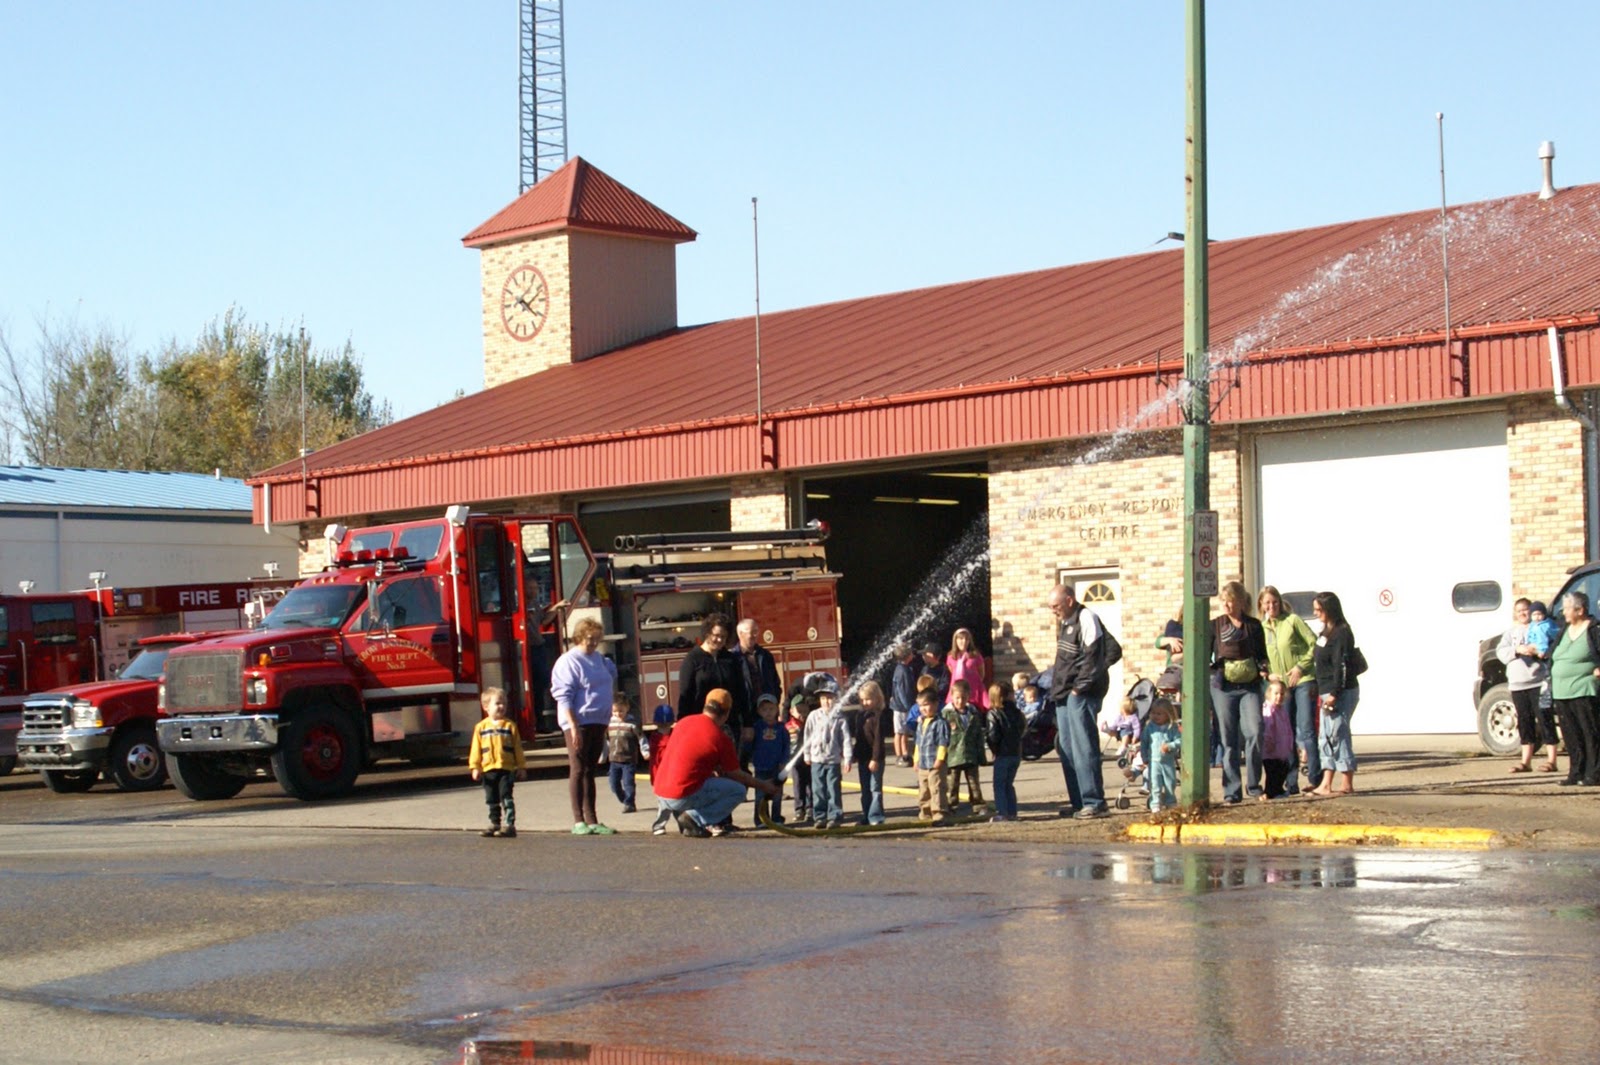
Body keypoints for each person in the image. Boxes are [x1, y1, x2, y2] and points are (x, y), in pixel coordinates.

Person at [651, 688, 780, 837]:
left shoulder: (683, 723)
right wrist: (764, 785)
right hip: (680, 795)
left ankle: (685, 817)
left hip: (661, 792)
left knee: (709, 781)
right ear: (726, 714)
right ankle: (694, 818)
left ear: (705, 706)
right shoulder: (720, 738)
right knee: (738, 790)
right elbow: (737, 775)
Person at [1046, 582, 1114, 819]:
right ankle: (1078, 802)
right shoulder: (1066, 622)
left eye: (1056, 606)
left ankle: (1094, 801)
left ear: (1069, 601)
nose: (1053, 611)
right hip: (1063, 694)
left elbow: (1095, 657)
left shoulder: (1086, 617)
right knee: (1066, 748)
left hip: (1080, 694)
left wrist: (1079, 689)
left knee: (1084, 747)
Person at [551, 616, 618, 836]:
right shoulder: (568, 661)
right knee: (578, 768)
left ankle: (592, 819)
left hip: (598, 720)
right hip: (578, 722)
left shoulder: (599, 659)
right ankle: (578, 819)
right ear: (579, 637)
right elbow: (564, 696)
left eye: (597, 639)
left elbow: (611, 674)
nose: (593, 643)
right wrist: (572, 725)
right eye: (590, 639)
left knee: (591, 769)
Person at [1209, 580, 1270, 805]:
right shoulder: (1214, 626)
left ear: (1240, 601)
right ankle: (1231, 791)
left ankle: (1254, 785)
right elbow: (1206, 657)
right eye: (1223, 601)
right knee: (1228, 739)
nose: (1226, 605)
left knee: (1254, 731)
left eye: (1230, 600)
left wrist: (1265, 671)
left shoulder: (1253, 626)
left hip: (1249, 686)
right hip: (1223, 687)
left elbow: (1262, 655)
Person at [1259, 585, 1320, 794]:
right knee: (1288, 733)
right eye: (1267, 602)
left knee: (1306, 728)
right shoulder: (1263, 628)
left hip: (1302, 680)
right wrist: (1268, 673)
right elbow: (1262, 658)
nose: (1271, 606)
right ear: (1261, 605)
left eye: (1274, 601)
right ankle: (1291, 782)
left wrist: (1300, 667)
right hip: (1281, 686)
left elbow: (1315, 643)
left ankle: (1315, 777)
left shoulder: (1292, 621)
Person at [1309, 591, 1361, 797]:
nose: (1316, 613)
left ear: (1330, 609)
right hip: (1324, 689)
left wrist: (1334, 693)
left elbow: (1342, 665)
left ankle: (1346, 782)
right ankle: (1326, 782)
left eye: (1319, 609)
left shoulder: (1342, 633)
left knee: (1338, 734)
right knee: (1326, 736)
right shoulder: (1325, 632)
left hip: (1340, 691)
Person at [1497, 597, 1555, 773]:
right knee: (1524, 722)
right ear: (1515, 614)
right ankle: (1526, 761)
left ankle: (1552, 760)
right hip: (1517, 684)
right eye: (1519, 610)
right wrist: (1517, 650)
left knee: (1545, 719)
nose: (1523, 613)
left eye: (1526, 609)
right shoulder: (1510, 633)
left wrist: (1535, 650)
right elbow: (1501, 652)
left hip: (1539, 682)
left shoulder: (1541, 627)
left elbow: (1549, 646)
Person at [676, 613, 751, 743]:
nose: (720, 640)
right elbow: (685, 696)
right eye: (716, 636)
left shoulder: (731, 660)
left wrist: (747, 723)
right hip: (700, 726)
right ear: (707, 633)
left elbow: (742, 693)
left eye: (723, 637)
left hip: (730, 726)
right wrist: (682, 727)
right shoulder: (692, 660)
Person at [1550, 591, 1600, 788]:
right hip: (1562, 691)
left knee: (1590, 733)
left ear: (1580, 610)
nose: (1563, 613)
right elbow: (1553, 654)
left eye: (1567, 608)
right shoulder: (1564, 629)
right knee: (1571, 735)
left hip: (1584, 688)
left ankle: (1594, 773)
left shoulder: (1594, 630)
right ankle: (1575, 772)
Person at [468, 687, 526, 838]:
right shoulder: (481, 727)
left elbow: (517, 748)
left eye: (504, 704)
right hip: (488, 769)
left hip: (506, 768)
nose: (502, 707)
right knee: (491, 798)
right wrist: (475, 767)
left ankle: (509, 825)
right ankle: (494, 823)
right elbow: (476, 749)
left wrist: (521, 766)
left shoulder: (509, 726)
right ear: (486, 706)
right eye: (498, 703)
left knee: (506, 795)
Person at [801, 675, 854, 829]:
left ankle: (835, 816)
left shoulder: (840, 718)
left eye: (830, 698)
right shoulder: (813, 716)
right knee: (818, 790)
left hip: (833, 760)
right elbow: (808, 735)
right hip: (817, 759)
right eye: (823, 698)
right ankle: (820, 816)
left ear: (836, 699)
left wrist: (847, 758)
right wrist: (807, 754)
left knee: (833, 789)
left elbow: (846, 739)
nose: (826, 702)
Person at [734, 618, 784, 755]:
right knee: (744, 757)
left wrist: (773, 706)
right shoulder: (732, 658)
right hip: (745, 716)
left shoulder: (765, 655)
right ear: (740, 634)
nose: (755, 635)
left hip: (766, 714)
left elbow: (775, 683)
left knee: (769, 754)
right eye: (751, 632)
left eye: (756, 632)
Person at [943, 679, 987, 813]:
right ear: (952, 697)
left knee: (974, 783)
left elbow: (978, 735)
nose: (960, 701)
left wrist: (981, 756)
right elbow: (942, 736)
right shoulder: (946, 714)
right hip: (953, 755)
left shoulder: (973, 714)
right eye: (957, 698)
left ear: (969, 697)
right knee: (952, 784)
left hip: (970, 754)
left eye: (963, 698)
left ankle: (977, 804)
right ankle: (951, 806)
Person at [853, 680, 891, 826]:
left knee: (875, 788)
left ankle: (876, 815)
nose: (865, 702)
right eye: (862, 700)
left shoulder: (878, 717)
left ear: (877, 698)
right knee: (865, 788)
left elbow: (878, 741)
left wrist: (875, 759)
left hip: (875, 758)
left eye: (868, 699)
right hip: (863, 757)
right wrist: (855, 754)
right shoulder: (861, 716)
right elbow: (858, 736)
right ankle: (866, 814)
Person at [748, 693, 789, 826]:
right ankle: (760, 819)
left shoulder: (782, 728)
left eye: (771, 709)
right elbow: (751, 745)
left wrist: (784, 763)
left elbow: (786, 746)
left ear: (777, 709)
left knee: (777, 795)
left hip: (777, 767)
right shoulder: (757, 728)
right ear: (759, 711)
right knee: (760, 796)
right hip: (761, 767)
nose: (768, 712)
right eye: (764, 709)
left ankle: (776, 818)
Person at [986, 680, 1024, 822]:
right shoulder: (1017, 713)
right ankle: (1012, 812)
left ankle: (1002, 812)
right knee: (1009, 784)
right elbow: (1021, 730)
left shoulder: (993, 713)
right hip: (1016, 753)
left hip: (1002, 753)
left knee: (999, 784)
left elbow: (992, 735)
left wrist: (994, 749)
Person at [913, 687, 950, 823]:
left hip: (935, 763)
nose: (923, 709)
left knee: (936, 787)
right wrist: (916, 759)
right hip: (923, 763)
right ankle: (925, 810)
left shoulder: (940, 723)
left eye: (926, 705)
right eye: (920, 706)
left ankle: (939, 811)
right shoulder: (921, 723)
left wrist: (940, 759)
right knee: (924, 789)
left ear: (935, 704)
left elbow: (943, 743)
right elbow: (918, 743)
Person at [1140, 696, 1181, 813]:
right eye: (1153, 713)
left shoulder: (1172, 727)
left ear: (1168, 715)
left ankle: (1170, 802)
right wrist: (1144, 757)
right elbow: (1144, 742)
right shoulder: (1149, 728)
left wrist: (1170, 746)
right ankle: (1155, 803)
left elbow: (1179, 740)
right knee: (1155, 783)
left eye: (1159, 714)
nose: (1155, 716)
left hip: (1168, 761)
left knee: (1170, 783)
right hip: (1154, 761)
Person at [604, 694, 643, 813]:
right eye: (615, 711)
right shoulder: (609, 724)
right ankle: (625, 799)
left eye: (621, 711)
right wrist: (603, 755)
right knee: (613, 784)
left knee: (628, 783)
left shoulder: (632, 724)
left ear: (627, 708)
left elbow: (641, 738)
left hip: (628, 760)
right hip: (614, 760)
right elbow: (606, 741)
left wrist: (645, 751)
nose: (618, 714)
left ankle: (630, 803)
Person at [1260, 678, 1295, 799]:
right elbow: (1268, 727)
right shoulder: (1268, 709)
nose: (1279, 696)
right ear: (1269, 694)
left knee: (1283, 770)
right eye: (1276, 693)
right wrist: (1268, 741)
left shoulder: (1283, 710)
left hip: (1282, 749)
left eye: (1281, 694)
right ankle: (1270, 792)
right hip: (1271, 749)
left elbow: (1288, 728)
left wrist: (1290, 743)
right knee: (1272, 773)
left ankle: (1278, 789)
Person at [785, 691, 813, 821]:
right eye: (799, 710)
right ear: (791, 711)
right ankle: (799, 808)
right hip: (795, 761)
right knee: (798, 785)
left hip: (809, 759)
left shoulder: (811, 724)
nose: (802, 714)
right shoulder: (788, 727)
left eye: (804, 710)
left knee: (810, 784)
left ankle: (810, 808)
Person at [890, 644, 920, 767]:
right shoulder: (902, 671)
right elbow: (901, 691)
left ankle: (905, 754)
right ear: (907, 656)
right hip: (900, 707)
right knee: (899, 732)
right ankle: (899, 755)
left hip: (901, 705)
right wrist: (908, 707)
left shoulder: (903, 668)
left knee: (904, 732)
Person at [946, 627, 989, 709]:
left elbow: (981, 674)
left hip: (973, 691)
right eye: (961, 639)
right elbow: (952, 671)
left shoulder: (976, 655)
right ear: (956, 640)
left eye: (967, 639)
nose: (964, 641)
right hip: (957, 691)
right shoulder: (951, 656)